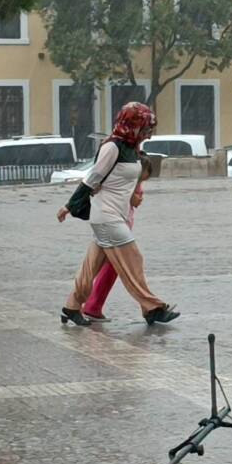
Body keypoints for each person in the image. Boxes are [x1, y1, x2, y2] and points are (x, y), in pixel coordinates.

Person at [57, 102, 178, 327]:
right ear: (131, 126)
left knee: (90, 267)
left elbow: (128, 179)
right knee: (133, 259)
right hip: (107, 215)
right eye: (145, 130)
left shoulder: (132, 149)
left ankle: (71, 306)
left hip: (115, 215)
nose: (148, 135)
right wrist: (70, 206)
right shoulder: (112, 147)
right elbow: (92, 178)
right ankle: (152, 308)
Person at [81, 154, 153, 322]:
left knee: (95, 269)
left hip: (116, 227)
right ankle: (148, 307)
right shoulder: (126, 182)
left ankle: (80, 305)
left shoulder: (130, 180)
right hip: (115, 228)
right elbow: (135, 201)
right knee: (127, 267)